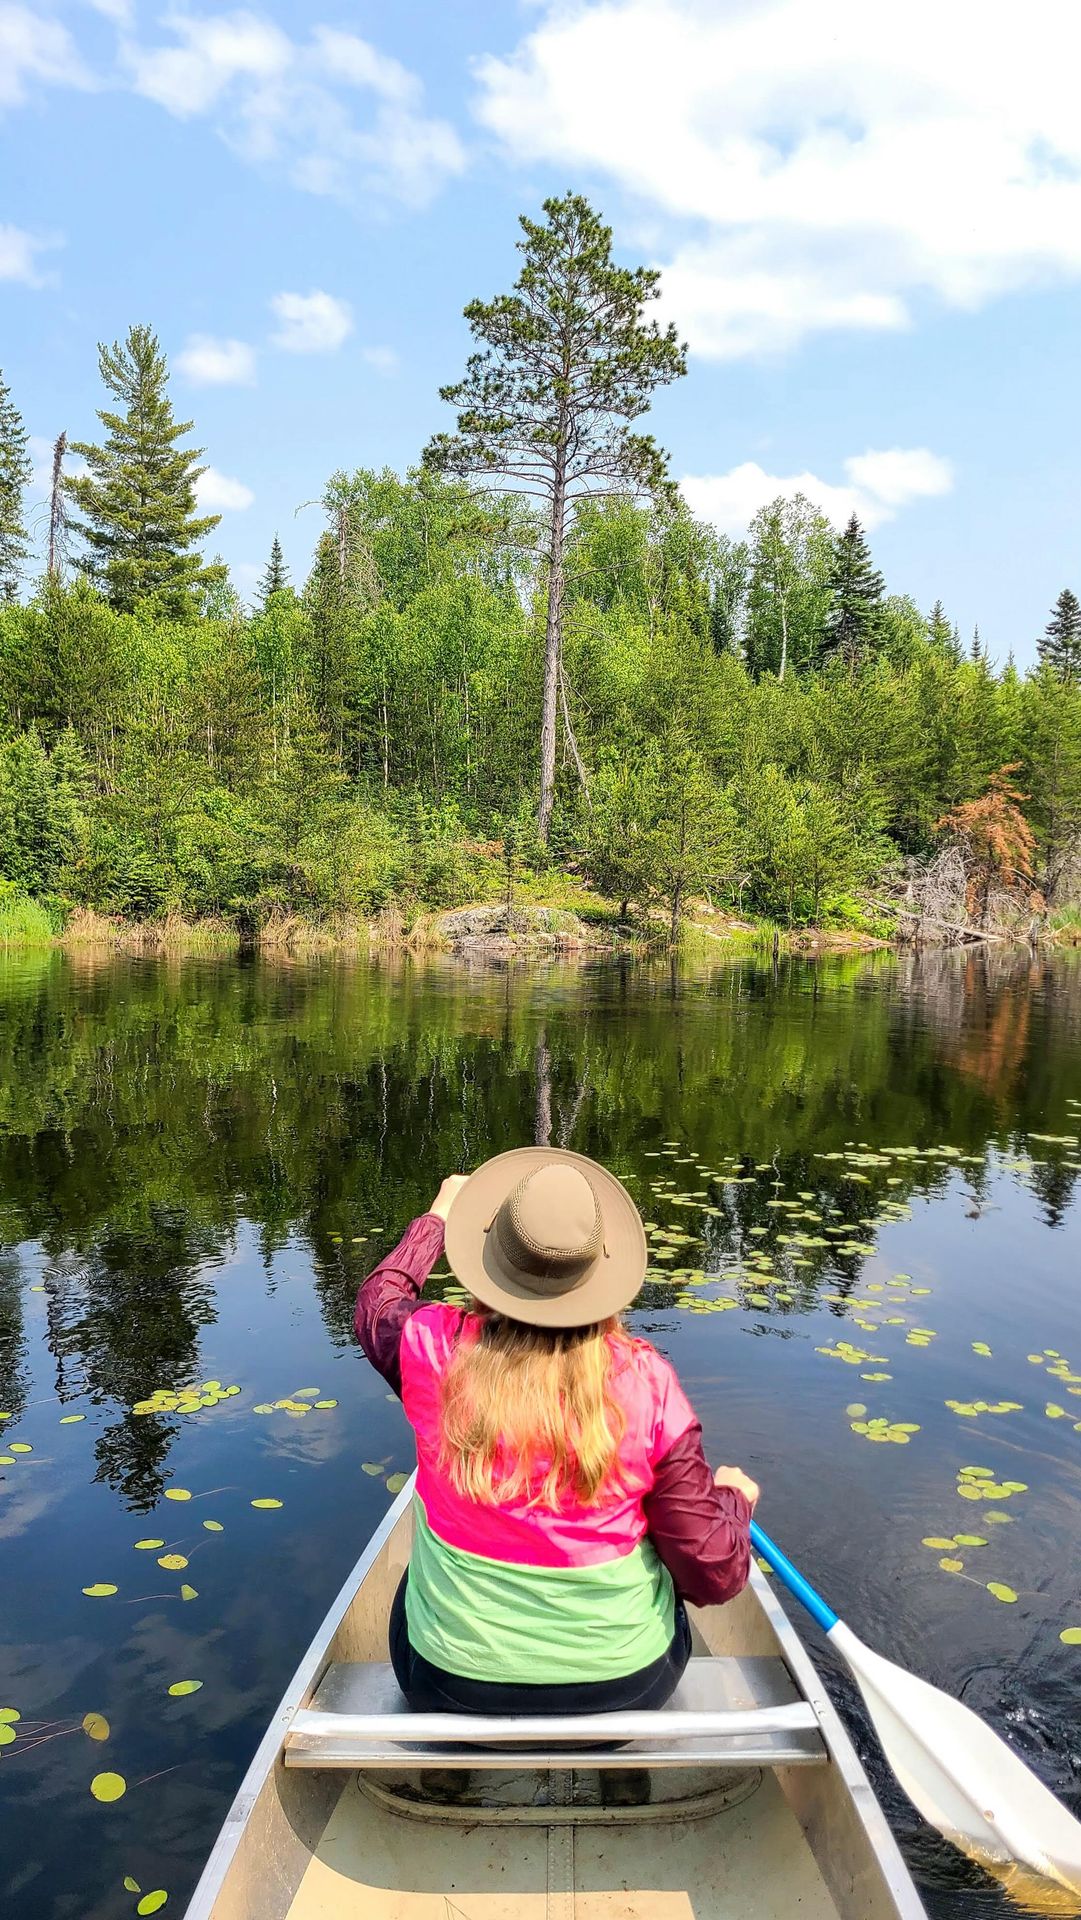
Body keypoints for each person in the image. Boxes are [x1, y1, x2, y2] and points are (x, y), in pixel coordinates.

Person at [354, 1147, 759, 1720]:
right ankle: (623, 1772)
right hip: (626, 1689)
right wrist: (734, 1501)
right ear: (599, 1273)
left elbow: (377, 1304)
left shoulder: (431, 1349)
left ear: (490, 1260)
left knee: (409, 1589)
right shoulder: (649, 1383)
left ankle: (447, 1763)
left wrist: (437, 1217)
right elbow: (713, 1573)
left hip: (448, 1687)